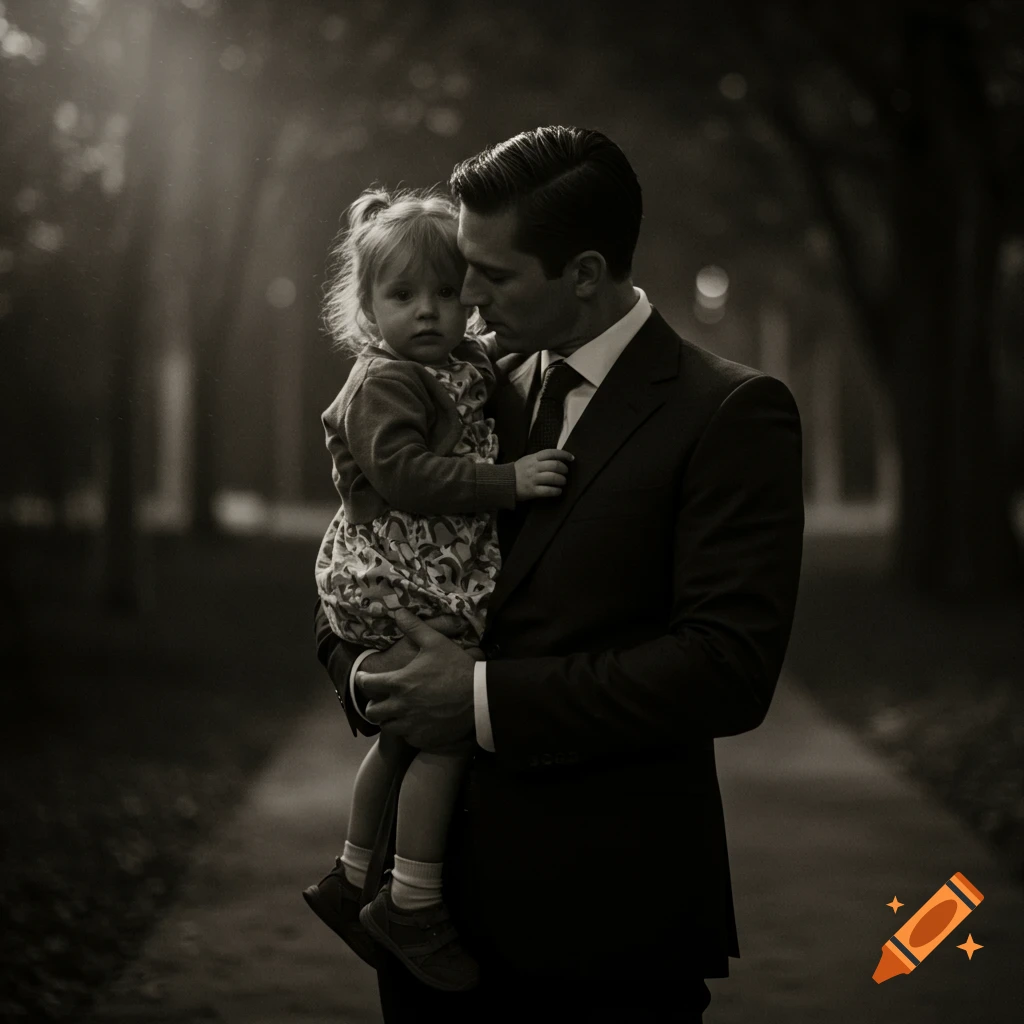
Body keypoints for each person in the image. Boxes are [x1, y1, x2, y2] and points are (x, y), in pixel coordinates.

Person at [313, 126, 805, 1023]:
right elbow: (368, 565)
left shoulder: (730, 412)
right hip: (422, 931)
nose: (461, 295)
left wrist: (481, 701)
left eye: (489, 277)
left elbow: (727, 671)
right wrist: (369, 676)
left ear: (582, 272)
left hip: (605, 924)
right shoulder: (452, 381)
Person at [304, 186, 573, 993]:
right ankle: (412, 900)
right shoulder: (383, 380)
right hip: (390, 570)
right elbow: (407, 476)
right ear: (366, 306)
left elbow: (476, 379)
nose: (429, 311)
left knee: (408, 734)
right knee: (448, 731)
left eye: (448, 293)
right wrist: (508, 482)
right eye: (402, 295)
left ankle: (353, 877)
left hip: (425, 566)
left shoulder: (456, 364)